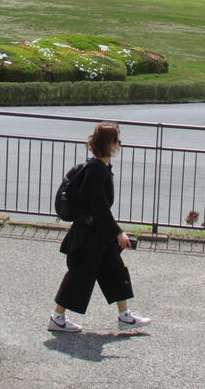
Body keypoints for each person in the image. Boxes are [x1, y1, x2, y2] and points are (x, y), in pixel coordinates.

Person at [50, 123, 151, 332]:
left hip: (95, 233)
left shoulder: (100, 167)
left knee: (115, 271)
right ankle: (57, 317)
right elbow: (99, 207)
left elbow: (99, 208)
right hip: (89, 236)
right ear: (109, 144)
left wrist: (113, 232)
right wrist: (117, 232)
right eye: (116, 140)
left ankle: (124, 316)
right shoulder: (97, 170)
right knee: (79, 276)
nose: (119, 143)